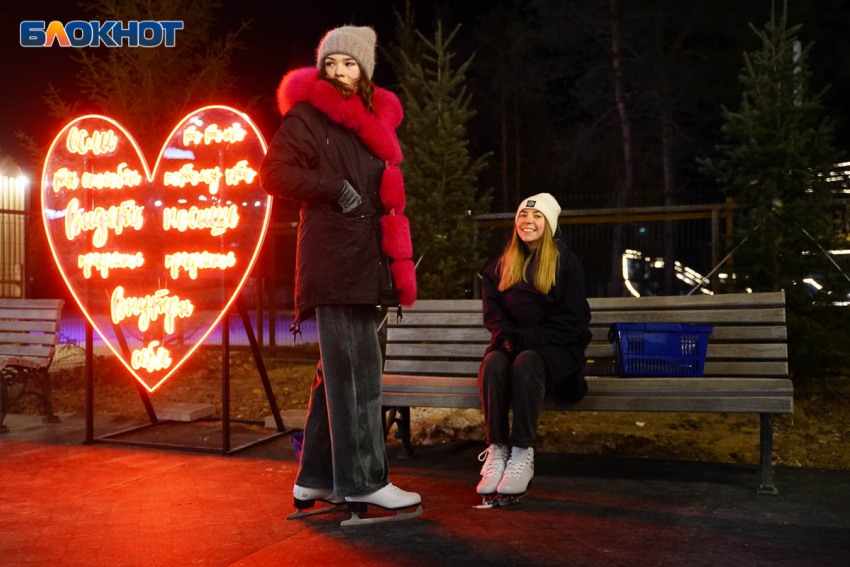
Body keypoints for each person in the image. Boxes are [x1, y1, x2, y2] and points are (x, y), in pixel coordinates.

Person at [259, 25, 422, 526]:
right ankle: (365, 483)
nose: (338, 72)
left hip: (364, 260)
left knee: (340, 372)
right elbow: (274, 173)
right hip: (333, 259)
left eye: (349, 64)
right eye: (330, 63)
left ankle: (316, 479)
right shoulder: (309, 116)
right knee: (359, 375)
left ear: (365, 70)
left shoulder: (372, 120)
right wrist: (333, 187)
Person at [477, 193, 591, 506]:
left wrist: (524, 340)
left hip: (555, 349)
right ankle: (497, 450)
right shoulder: (500, 267)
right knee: (493, 364)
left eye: (537, 217)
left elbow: (572, 321)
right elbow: (495, 316)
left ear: (550, 223)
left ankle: (521, 453)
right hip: (515, 345)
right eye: (524, 217)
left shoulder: (566, 263)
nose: (529, 222)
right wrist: (504, 337)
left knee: (526, 361)